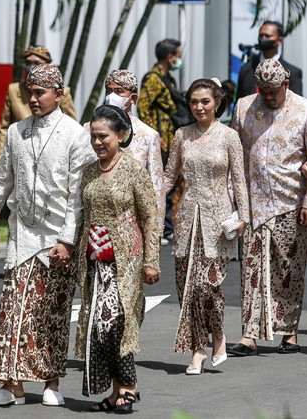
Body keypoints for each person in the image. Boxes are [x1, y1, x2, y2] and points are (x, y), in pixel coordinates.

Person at [0, 63, 94, 407]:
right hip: (22, 234)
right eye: (29, 92)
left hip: (58, 237)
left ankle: (50, 382)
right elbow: (2, 180)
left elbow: (77, 196)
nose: (32, 99)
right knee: (12, 310)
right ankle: (9, 384)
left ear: (59, 95)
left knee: (51, 313)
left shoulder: (76, 134)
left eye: (40, 93)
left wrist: (67, 240)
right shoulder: (16, 132)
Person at [228, 59, 307, 356]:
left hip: (291, 202)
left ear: (286, 84)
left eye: (274, 91)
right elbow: (235, 154)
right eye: (264, 91)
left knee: (289, 268)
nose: (268, 97)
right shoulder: (244, 107)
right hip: (253, 201)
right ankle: (250, 334)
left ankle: (289, 331)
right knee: (252, 269)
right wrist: (234, 199)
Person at [75, 105, 160, 413]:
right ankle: (116, 391)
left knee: (115, 324)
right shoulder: (88, 171)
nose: (98, 142)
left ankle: (129, 387)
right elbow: (81, 217)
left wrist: (152, 260)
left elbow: (150, 217)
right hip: (94, 263)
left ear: (121, 135)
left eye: (104, 136)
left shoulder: (133, 169)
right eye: (93, 137)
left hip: (126, 261)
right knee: (98, 327)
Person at [164, 78, 250, 374]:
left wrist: (243, 217)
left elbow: (239, 179)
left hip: (218, 222)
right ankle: (197, 350)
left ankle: (218, 336)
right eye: (194, 102)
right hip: (187, 218)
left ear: (217, 103)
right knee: (187, 287)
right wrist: (148, 199)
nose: (199, 107)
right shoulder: (181, 135)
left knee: (207, 285)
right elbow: (169, 175)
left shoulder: (229, 136)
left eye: (205, 101)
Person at [95, 69, 164, 229]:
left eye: (119, 91)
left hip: (132, 224)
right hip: (96, 222)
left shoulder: (148, 135)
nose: (112, 96)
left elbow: (156, 187)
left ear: (133, 97)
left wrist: (156, 230)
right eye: (109, 91)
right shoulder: (89, 130)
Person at [0, 45, 77, 161]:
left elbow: (71, 124)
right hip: (20, 149)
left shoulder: (62, 92)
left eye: (36, 63)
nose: (31, 67)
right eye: (28, 63)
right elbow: (4, 128)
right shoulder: (14, 90)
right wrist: (0, 158)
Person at [138, 38, 182, 245]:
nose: (180, 59)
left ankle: (166, 227)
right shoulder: (152, 79)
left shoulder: (168, 78)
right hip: (160, 139)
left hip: (170, 137)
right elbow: (144, 107)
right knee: (156, 184)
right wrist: (153, 137)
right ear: (170, 57)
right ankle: (156, 229)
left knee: (168, 184)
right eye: (178, 55)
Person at [235, 20, 303, 100]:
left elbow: (297, 105)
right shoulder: (246, 70)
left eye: (268, 36)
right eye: (261, 35)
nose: (263, 39)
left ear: (279, 40)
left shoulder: (292, 73)